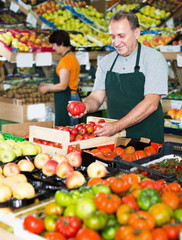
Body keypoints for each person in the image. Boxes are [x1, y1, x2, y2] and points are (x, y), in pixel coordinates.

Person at [70, 10, 168, 144]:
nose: (116, 42)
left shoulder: (153, 59)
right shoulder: (106, 62)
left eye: (121, 36)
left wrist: (117, 126)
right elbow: (96, 97)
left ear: (136, 33)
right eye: (113, 37)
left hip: (147, 138)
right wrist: (85, 106)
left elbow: (151, 103)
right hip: (114, 138)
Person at [39, 30, 81, 127]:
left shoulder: (65, 61)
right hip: (74, 97)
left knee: (66, 129)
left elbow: (63, 85)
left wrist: (47, 88)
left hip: (68, 99)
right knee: (73, 127)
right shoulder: (73, 57)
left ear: (61, 43)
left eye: (54, 45)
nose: (53, 48)